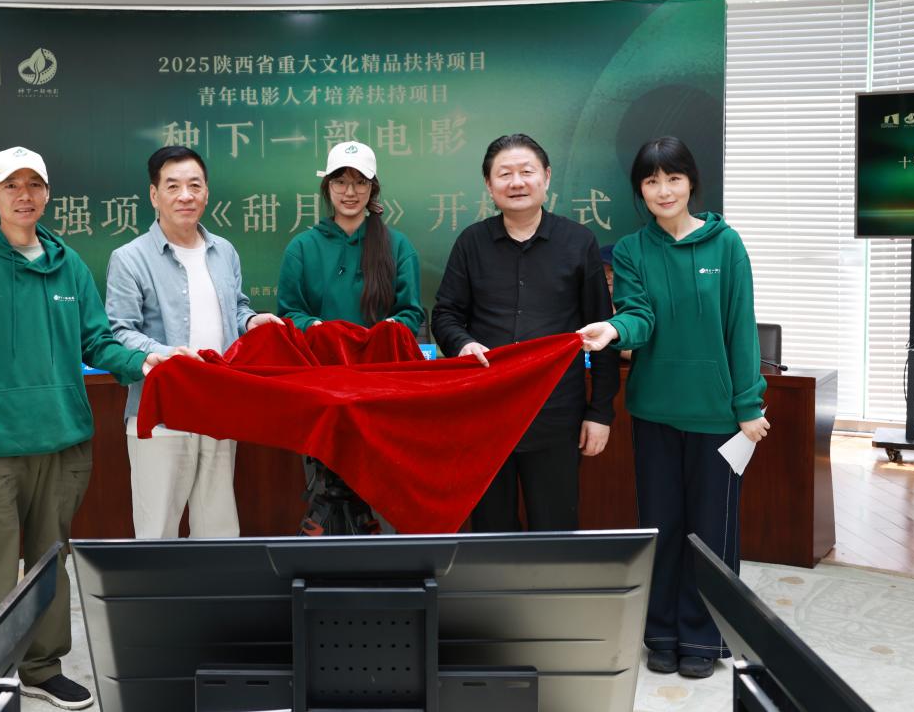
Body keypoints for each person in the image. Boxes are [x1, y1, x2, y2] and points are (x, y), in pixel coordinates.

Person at [0, 146, 166, 710]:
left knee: (49, 561)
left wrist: (145, 364)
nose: (24, 195)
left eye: (34, 184)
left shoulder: (70, 266)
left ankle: (42, 667)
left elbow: (97, 342)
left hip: (65, 443)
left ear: (47, 193)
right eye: (10, 185)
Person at [578, 136, 769, 680]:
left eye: (673, 178)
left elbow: (740, 327)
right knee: (660, 526)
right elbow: (640, 315)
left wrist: (748, 403)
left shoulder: (726, 244)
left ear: (691, 183)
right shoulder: (632, 250)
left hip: (717, 417)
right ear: (639, 189)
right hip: (656, 412)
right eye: (651, 181)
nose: (663, 190)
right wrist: (615, 328)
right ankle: (661, 631)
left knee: (712, 533)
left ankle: (706, 635)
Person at [431, 133, 619, 532]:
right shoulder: (471, 243)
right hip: (486, 417)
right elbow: (445, 315)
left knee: (555, 529)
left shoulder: (578, 242)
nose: (516, 182)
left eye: (526, 172)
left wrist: (600, 413)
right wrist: (463, 343)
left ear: (546, 177)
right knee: (490, 530)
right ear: (489, 184)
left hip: (556, 416)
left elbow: (601, 330)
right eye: (504, 174)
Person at [106, 145, 280, 539]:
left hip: (219, 407)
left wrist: (251, 321)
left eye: (194, 185)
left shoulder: (224, 252)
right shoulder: (130, 258)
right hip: (161, 413)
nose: (185, 195)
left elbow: (235, 308)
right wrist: (169, 355)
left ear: (206, 192)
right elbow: (120, 332)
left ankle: (215, 584)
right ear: (154, 195)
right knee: (157, 531)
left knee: (218, 527)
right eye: (173, 186)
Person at [277, 140, 424, 534]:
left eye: (360, 182)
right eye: (340, 181)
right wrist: (318, 330)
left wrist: (386, 333)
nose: (350, 191)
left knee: (382, 503)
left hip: (381, 398)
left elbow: (411, 313)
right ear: (327, 187)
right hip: (323, 397)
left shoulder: (397, 246)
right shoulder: (302, 248)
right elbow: (289, 313)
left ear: (373, 188)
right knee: (327, 505)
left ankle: (388, 570)